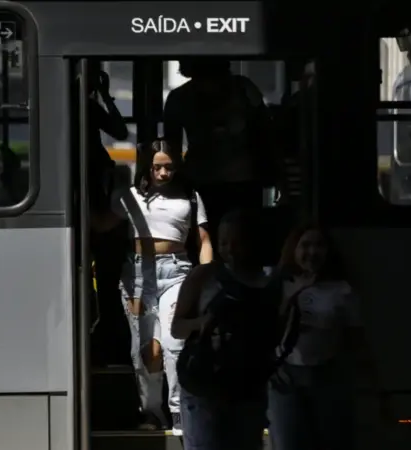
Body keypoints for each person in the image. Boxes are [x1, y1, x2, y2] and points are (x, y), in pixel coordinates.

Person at [93, 139, 213, 434]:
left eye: (169, 167)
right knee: (147, 350)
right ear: (147, 167)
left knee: (175, 344)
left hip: (177, 272)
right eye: (157, 167)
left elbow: (204, 240)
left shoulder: (190, 197)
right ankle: (151, 412)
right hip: (137, 276)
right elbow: (102, 224)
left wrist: (206, 277)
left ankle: (179, 412)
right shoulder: (130, 196)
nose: (163, 173)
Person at [171, 209, 291, 450]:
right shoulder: (205, 275)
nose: (231, 249)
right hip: (205, 385)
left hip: (248, 388)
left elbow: (277, 333)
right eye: (224, 242)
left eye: (238, 242)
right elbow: (177, 328)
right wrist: (202, 322)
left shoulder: (270, 282)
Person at [267, 222, 382, 450]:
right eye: (305, 245)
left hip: (327, 376)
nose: (312, 252)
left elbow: (357, 340)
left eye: (319, 245)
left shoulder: (341, 290)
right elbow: (267, 329)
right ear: (294, 249)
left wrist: (375, 386)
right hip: (286, 377)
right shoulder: (278, 284)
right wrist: (294, 294)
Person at [163, 59, 280, 248]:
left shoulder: (180, 97)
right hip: (239, 178)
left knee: (207, 241)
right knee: (244, 240)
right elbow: (266, 130)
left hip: (208, 179)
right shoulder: (243, 89)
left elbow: (171, 148)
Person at [83, 64, 133, 367]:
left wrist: (103, 95)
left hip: (97, 196)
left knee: (107, 277)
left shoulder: (88, 106)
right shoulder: (80, 106)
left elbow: (120, 131)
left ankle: (109, 336)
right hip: (90, 195)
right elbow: (120, 130)